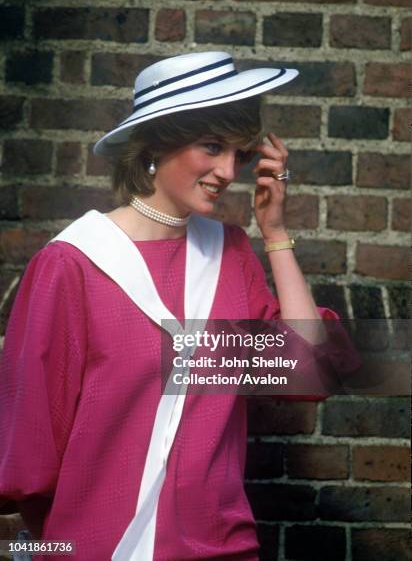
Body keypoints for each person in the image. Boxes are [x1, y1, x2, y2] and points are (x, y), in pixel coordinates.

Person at [0, 51, 358, 561]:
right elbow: (32, 450)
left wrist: (275, 233)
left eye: (239, 153)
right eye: (212, 146)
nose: (227, 171)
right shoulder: (73, 264)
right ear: (156, 143)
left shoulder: (230, 255)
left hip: (223, 548)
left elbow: (307, 371)